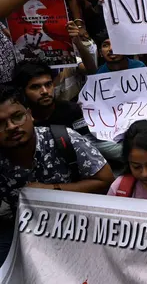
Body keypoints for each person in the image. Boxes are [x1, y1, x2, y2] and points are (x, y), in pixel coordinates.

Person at [0, 84, 114, 263]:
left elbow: (106, 180)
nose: (12, 127)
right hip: (26, 231)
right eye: (1, 123)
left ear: (30, 114)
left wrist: (50, 190)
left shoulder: (62, 138)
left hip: (78, 227)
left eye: (17, 117)